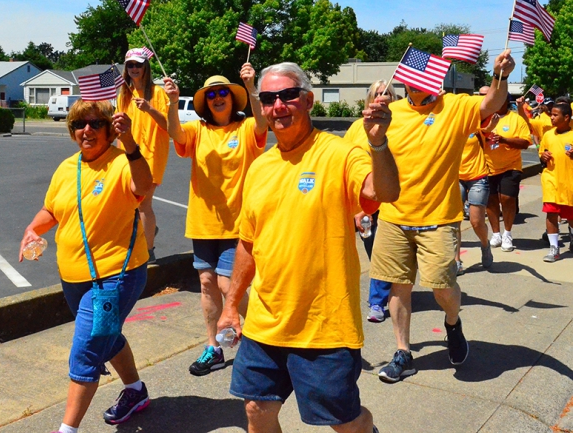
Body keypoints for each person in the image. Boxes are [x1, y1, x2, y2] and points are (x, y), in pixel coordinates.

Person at [218, 62, 400, 433]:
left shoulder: (340, 153)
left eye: (287, 95)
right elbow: (248, 244)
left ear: (308, 100)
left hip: (324, 324)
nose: (278, 106)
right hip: (265, 322)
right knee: (256, 409)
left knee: (344, 422)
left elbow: (383, 193)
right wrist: (230, 307)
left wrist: (378, 143)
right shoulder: (260, 167)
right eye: (268, 98)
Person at [370, 49, 516, 383]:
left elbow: (491, 103)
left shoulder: (455, 106)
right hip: (393, 217)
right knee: (398, 288)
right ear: (404, 81)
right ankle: (403, 353)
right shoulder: (388, 113)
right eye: (411, 79)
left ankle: (452, 323)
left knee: (441, 286)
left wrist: (501, 76)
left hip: (438, 217)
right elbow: (356, 156)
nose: (420, 85)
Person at [19, 100, 153, 432]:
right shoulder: (68, 167)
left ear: (110, 129)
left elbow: (143, 186)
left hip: (113, 277)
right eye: (80, 124)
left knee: (85, 353)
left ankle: (67, 429)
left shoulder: (121, 162)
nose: (87, 130)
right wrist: (31, 230)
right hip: (74, 279)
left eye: (95, 123)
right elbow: (52, 210)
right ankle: (135, 391)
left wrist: (132, 144)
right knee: (106, 337)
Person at [164, 64, 266, 376]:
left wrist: (251, 89)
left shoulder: (246, 127)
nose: (218, 98)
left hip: (238, 224)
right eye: (211, 95)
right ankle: (214, 347)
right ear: (205, 102)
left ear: (232, 99)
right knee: (207, 282)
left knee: (227, 284)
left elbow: (263, 125)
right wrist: (171, 102)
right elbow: (176, 134)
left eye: (223, 92)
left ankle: (260, 340)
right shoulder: (198, 130)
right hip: (203, 222)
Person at [344, 80, 397, 323]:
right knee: (373, 250)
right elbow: (344, 166)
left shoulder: (402, 124)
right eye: (378, 92)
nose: (382, 96)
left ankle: (377, 302)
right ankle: (386, 292)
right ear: (370, 98)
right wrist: (355, 207)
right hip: (365, 202)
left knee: (383, 252)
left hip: (395, 200)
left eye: (387, 92)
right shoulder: (356, 127)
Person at [118, 48, 170, 261]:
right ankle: (147, 234)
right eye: (130, 65)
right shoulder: (125, 94)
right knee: (129, 206)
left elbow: (170, 126)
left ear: (146, 66)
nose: (134, 69)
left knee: (143, 204)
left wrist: (149, 108)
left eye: (138, 64)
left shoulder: (157, 93)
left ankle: (148, 252)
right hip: (127, 156)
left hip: (151, 155)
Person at [481, 95, 531, 252]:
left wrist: (504, 140)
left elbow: (525, 143)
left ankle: (507, 233)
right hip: (487, 166)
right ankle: (496, 234)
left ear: (506, 102)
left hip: (511, 166)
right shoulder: (485, 118)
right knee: (491, 201)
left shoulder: (516, 120)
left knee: (507, 199)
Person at [456, 118, 493, 273]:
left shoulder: (478, 128)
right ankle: (456, 260)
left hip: (478, 177)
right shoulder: (449, 127)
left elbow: (489, 128)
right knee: (454, 221)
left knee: (476, 221)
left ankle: (485, 244)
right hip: (455, 178)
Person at [539, 102, 573, 262]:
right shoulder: (548, 135)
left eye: (555, 115)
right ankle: (554, 248)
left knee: (571, 216)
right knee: (551, 213)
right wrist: (543, 157)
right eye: (551, 114)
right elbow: (542, 153)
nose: (551, 117)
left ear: (566, 117)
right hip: (551, 180)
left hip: (569, 183)